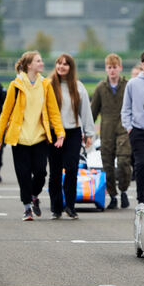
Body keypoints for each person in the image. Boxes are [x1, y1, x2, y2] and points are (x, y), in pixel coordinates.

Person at [0, 51, 65, 221]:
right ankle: (27, 207)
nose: (41, 63)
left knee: (41, 173)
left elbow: (54, 112)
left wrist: (60, 133)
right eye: (38, 61)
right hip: (19, 139)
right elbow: (5, 112)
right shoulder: (16, 85)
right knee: (23, 174)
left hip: (39, 138)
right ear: (29, 65)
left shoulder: (45, 85)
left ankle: (34, 195)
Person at [48, 53, 95, 219]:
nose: (61, 66)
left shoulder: (78, 87)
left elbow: (86, 113)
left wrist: (89, 133)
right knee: (54, 171)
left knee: (71, 169)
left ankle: (70, 206)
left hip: (73, 132)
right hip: (54, 133)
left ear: (70, 67)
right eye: (59, 63)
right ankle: (56, 207)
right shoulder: (48, 86)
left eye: (65, 64)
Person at [91, 53, 132, 209]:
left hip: (124, 128)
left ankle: (123, 191)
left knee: (123, 162)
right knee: (107, 165)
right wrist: (87, 131)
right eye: (109, 67)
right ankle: (113, 196)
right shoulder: (101, 88)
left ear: (120, 68)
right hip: (106, 130)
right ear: (106, 69)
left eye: (115, 67)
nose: (112, 70)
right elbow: (93, 111)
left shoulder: (128, 85)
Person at [121, 50, 144, 205]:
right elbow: (126, 108)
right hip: (138, 131)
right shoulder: (133, 83)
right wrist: (129, 127)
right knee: (141, 165)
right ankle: (140, 199)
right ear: (141, 65)